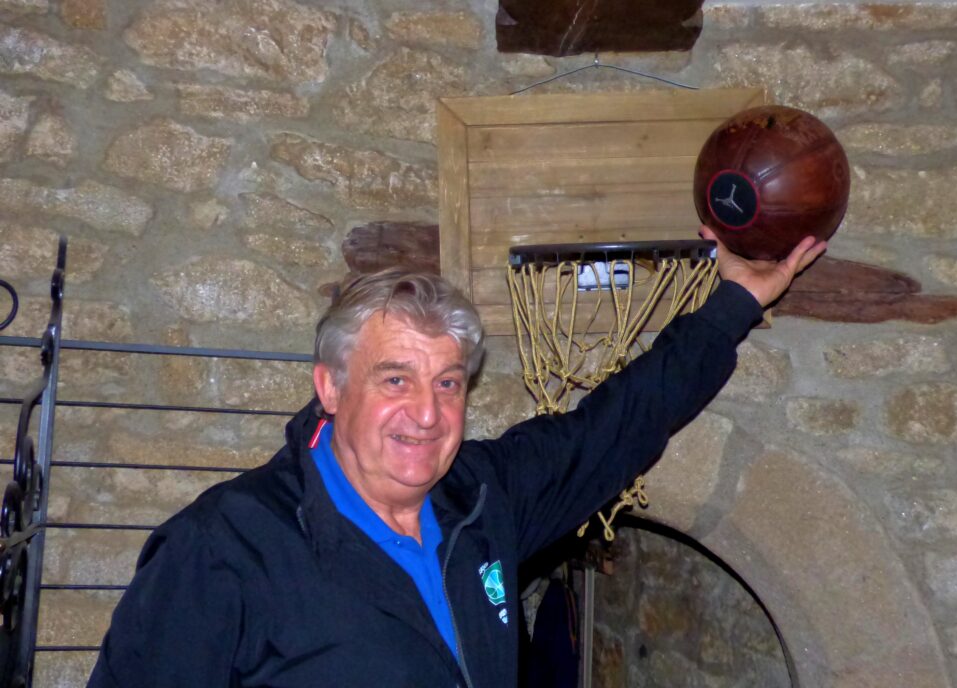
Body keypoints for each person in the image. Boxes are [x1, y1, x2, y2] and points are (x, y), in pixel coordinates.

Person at [87, 228, 825, 688]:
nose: (428, 414)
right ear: (331, 387)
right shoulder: (224, 548)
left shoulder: (480, 497)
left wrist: (734, 303)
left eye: (447, 384)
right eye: (395, 380)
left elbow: (617, 426)